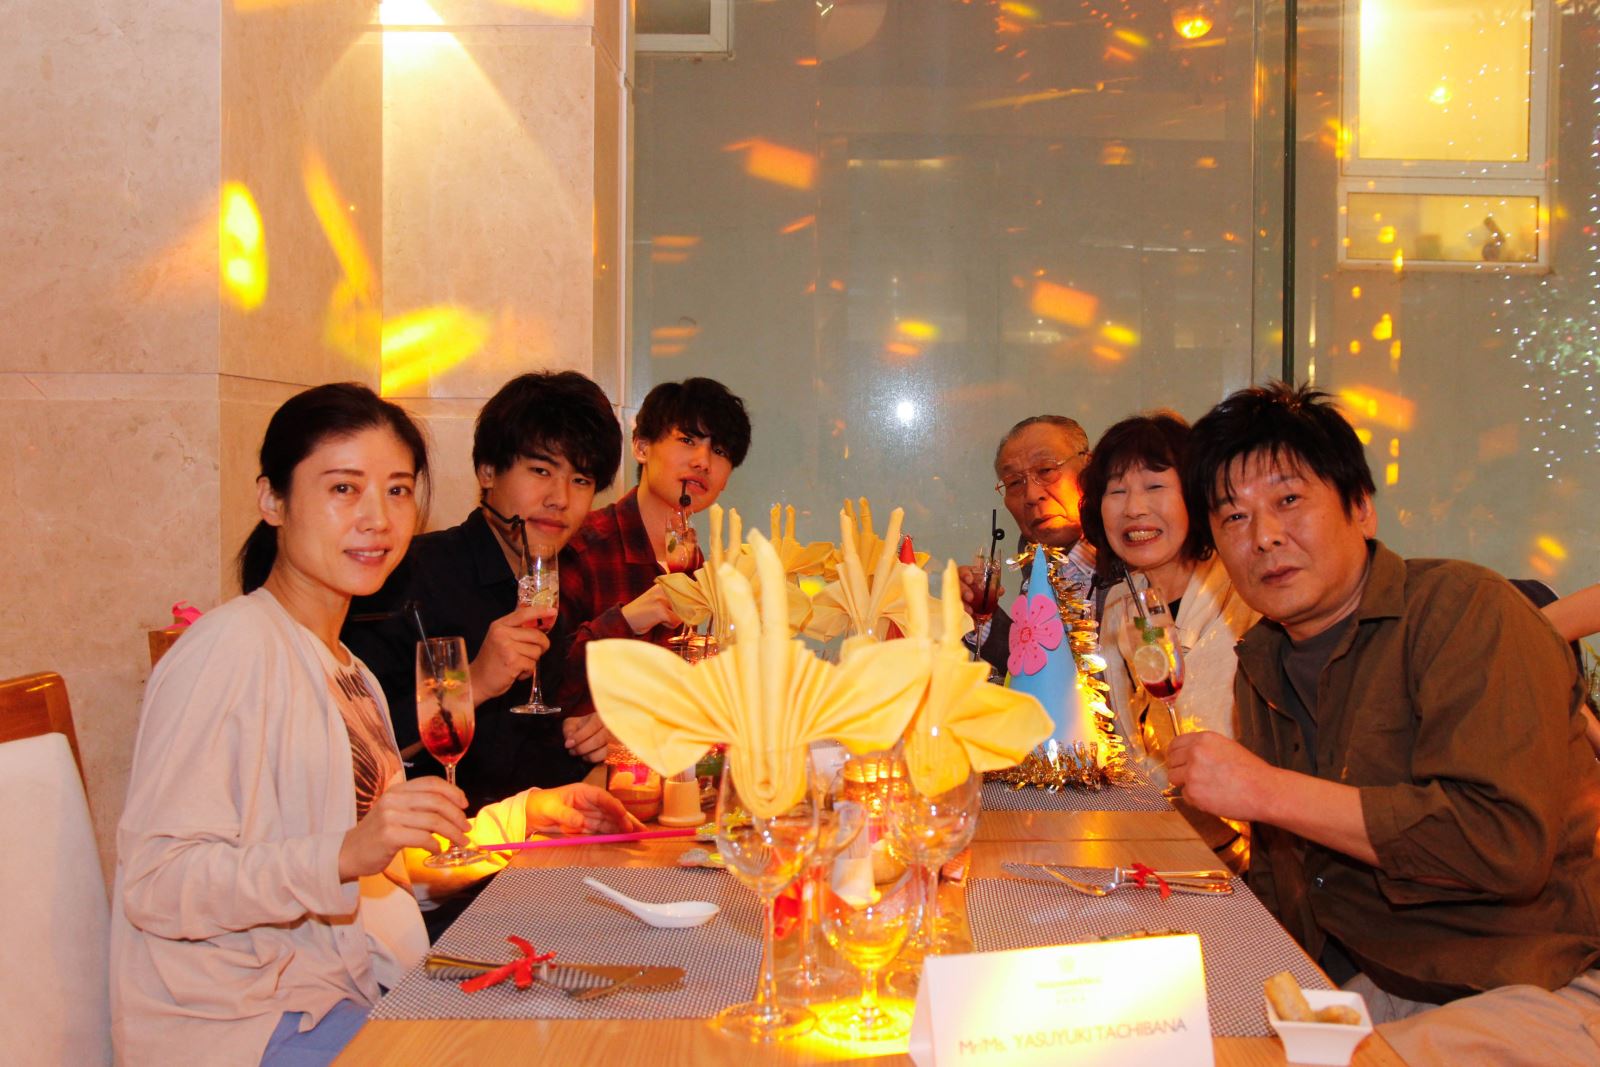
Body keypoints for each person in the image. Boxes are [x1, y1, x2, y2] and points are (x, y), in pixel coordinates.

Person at [112, 383, 640, 1067]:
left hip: (346, 990)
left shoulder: (346, 667)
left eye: (396, 491)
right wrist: (344, 852)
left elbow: (396, 869)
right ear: (273, 500)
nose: (378, 518)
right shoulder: (230, 647)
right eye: (344, 488)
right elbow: (157, 884)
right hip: (244, 1024)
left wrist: (527, 816)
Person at [1166, 381, 1600, 1066]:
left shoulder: (1467, 612)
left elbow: (1503, 845)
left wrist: (1265, 790)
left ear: (1361, 509)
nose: (1265, 536)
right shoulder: (1265, 659)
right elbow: (1288, 878)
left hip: (1540, 980)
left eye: (1288, 500)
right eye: (1234, 517)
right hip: (1388, 977)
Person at [344, 372, 623, 812]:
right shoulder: (403, 577)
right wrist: (471, 682)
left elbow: (521, 762)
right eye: (541, 471)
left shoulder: (546, 591)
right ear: (487, 471)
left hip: (509, 838)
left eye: (581, 481)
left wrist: (585, 740)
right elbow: (353, 748)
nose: (560, 499)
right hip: (417, 843)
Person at [1077, 412, 1258, 790]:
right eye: (1117, 491)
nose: (1134, 508)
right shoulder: (1120, 602)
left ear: (1194, 495)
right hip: (1150, 811)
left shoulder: (1246, 593)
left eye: (1155, 486)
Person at [556, 376, 751, 720]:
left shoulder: (694, 561)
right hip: (580, 754)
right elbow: (545, 684)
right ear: (642, 447)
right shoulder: (584, 546)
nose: (703, 462)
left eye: (720, 451)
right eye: (687, 440)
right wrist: (626, 620)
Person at [958, 414, 1097, 673]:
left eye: (1046, 470)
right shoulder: (1036, 564)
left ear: (1090, 469)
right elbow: (1040, 669)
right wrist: (978, 614)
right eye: (1014, 483)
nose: (1032, 495)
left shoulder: (1132, 561)